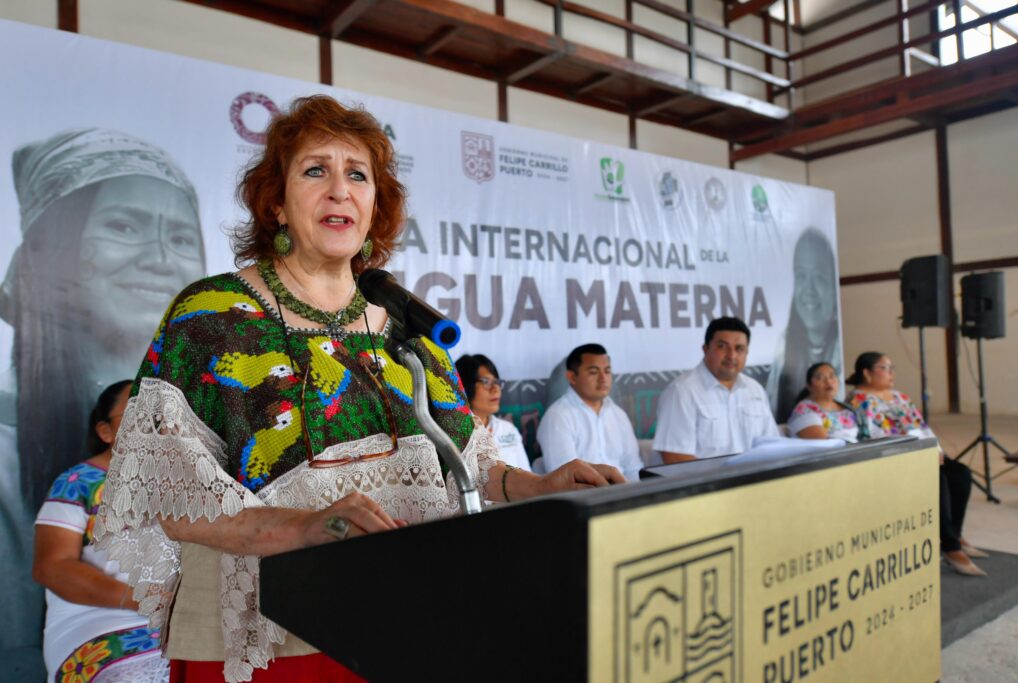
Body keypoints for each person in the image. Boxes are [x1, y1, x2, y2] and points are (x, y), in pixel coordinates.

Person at [93, 95, 624, 682]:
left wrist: (536, 486)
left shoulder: (405, 323)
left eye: (358, 175)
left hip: (411, 616)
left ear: (376, 205)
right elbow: (165, 489)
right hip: (274, 635)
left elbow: (465, 459)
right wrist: (304, 527)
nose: (340, 189)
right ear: (275, 202)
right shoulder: (212, 315)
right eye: (315, 170)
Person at [0, 128, 205, 678]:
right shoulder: (41, 465)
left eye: (182, 238)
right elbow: (55, 568)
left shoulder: (200, 468)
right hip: (110, 639)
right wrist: (145, 601)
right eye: (123, 226)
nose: (161, 259)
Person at [33, 381, 168, 683]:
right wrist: (140, 599)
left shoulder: (193, 484)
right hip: (97, 619)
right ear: (105, 432)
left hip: (181, 619)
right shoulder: (78, 483)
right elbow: (52, 567)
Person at [846, 351, 987, 576]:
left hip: (922, 450)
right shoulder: (858, 400)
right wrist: (916, 451)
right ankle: (951, 547)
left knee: (960, 473)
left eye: (892, 368)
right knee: (937, 478)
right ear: (866, 372)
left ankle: (955, 533)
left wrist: (936, 449)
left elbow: (921, 425)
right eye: (885, 368)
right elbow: (872, 434)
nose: (891, 373)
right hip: (894, 454)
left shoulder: (899, 397)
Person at [654, 317, 778, 462]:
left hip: (755, 481)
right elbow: (674, 457)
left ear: (746, 353)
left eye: (739, 349)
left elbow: (772, 446)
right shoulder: (681, 392)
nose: (731, 355)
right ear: (706, 349)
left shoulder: (755, 390)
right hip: (706, 483)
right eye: (722, 346)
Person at [766, 228, 842, 422]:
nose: (809, 289)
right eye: (800, 276)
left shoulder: (839, 346)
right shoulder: (784, 343)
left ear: (834, 287)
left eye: (819, 278)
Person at [536, 343, 643, 481]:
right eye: (593, 372)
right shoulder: (557, 416)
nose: (603, 378)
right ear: (572, 377)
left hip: (623, 495)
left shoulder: (618, 414)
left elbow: (633, 468)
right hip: (585, 498)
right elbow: (565, 480)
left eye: (607, 371)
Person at [455, 354, 530, 471]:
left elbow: (526, 474)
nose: (496, 389)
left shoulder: (508, 429)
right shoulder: (453, 431)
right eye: (486, 382)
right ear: (464, 386)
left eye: (497, 382)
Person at [787, 362, 859, 443]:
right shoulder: (804, 410)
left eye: (832, 376)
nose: (828, 381)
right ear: (809, 386)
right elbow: (824, 444)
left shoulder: (846, 409)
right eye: (820, 377)